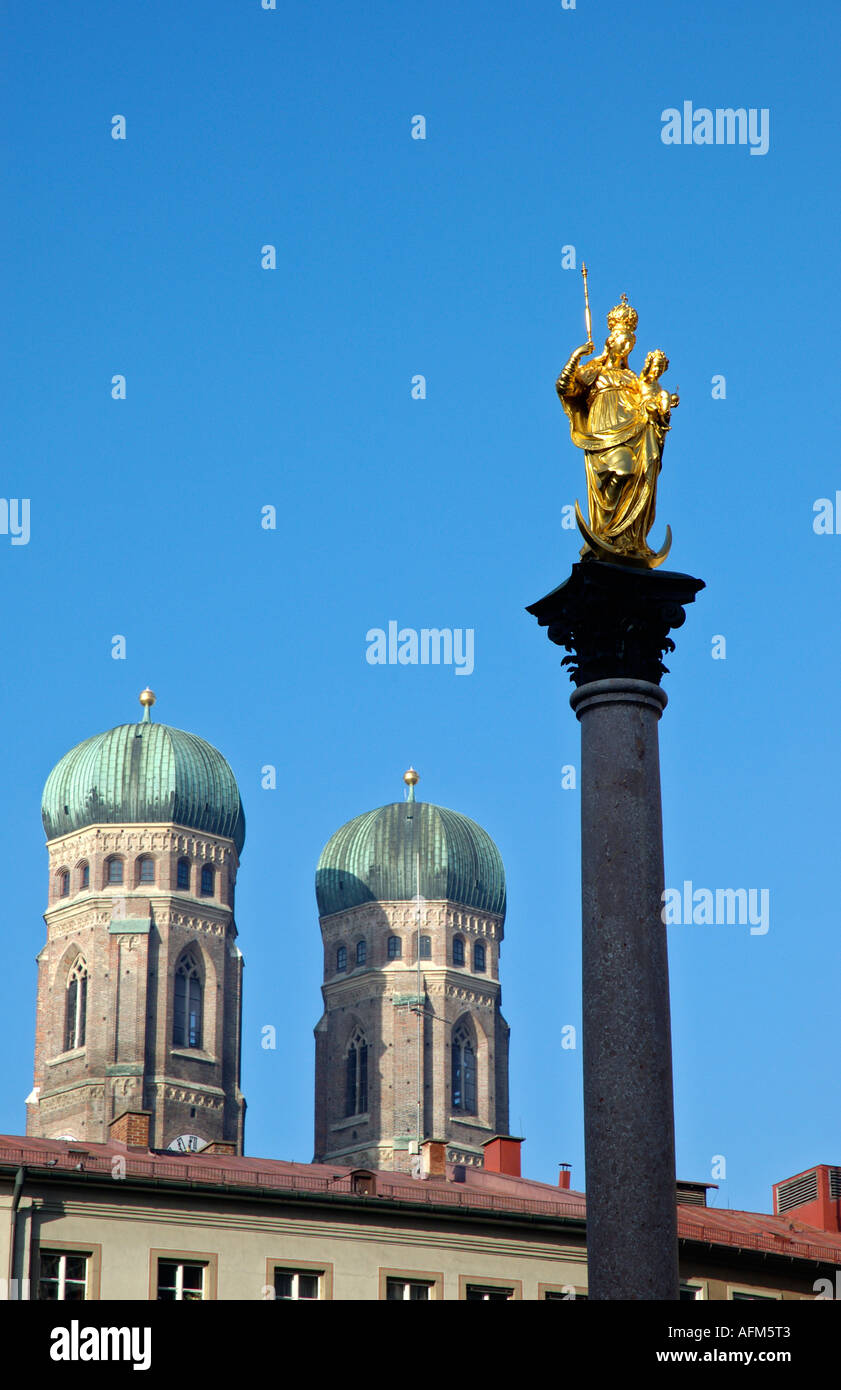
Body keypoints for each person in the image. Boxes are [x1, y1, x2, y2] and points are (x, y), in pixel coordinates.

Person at [556, 296, 676, 562]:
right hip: (603, 429)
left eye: (630, 343)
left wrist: (659, 410)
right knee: (620, 470)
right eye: (622, 340)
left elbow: (648, 401)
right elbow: (566, 387)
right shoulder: (594, 372)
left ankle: (628, 538)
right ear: (611, 341)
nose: (626, 346)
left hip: (632, 429)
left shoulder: (634, 379)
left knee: (638, 472)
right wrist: (577, 355)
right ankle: (605, 531)